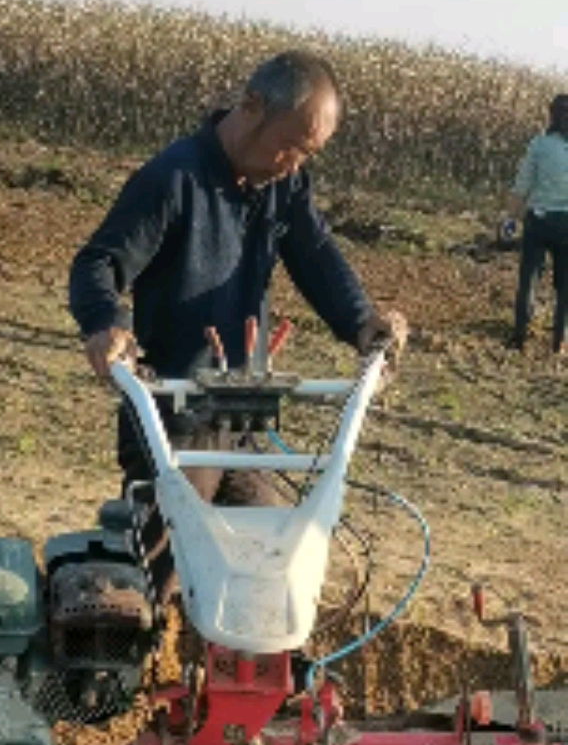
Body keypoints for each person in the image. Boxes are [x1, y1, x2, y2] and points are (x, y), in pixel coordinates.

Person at [68, 50, 407, 505]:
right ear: (251, 107)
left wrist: (361, 322)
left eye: (309, 155)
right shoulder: (175, 178)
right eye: (290, 146)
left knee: (269, 554)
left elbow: (316, 254)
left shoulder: (283, 185)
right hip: (174, 419)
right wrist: (106, 324)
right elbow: (97, 263)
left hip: (240, 417)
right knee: (175, 563)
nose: (293, 165)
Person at [507, 94, 568, 356]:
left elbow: (522, 185)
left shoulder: (540, 145)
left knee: (529, 279)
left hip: (538, 221)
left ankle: (520, 335)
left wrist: (510, 218)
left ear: (552, 115)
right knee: (564, 286)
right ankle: (559, 339)